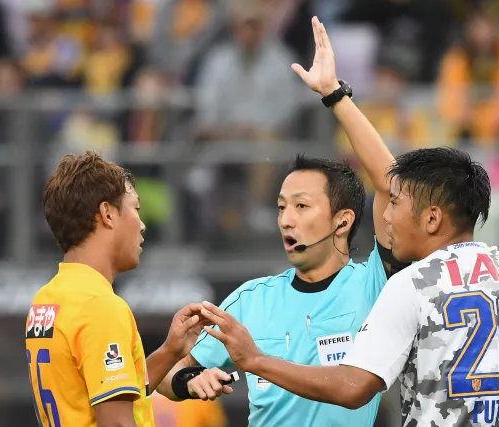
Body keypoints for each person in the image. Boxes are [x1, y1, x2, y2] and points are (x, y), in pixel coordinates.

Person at [155, 16, 411, 427]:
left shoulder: (374, 286)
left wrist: (334, 95)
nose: (286, 220)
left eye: (301, 207)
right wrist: (189, 379)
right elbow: (167, 375)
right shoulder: (250, 300)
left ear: (343, 221)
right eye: (280, 207)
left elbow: (393, 185)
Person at [200, 151, 499, 424]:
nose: (386, 215)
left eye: (395, 204)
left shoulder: (413, 284)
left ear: (431, 219)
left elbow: (352, 388)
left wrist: (256, 361)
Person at [25, 151, 211, 427]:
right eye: (136, 208)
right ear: (107, 214)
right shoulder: (99, 305)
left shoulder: (46, 299)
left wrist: (170, 352)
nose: (143, 224)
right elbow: (117, 422)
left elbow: (101, 390)